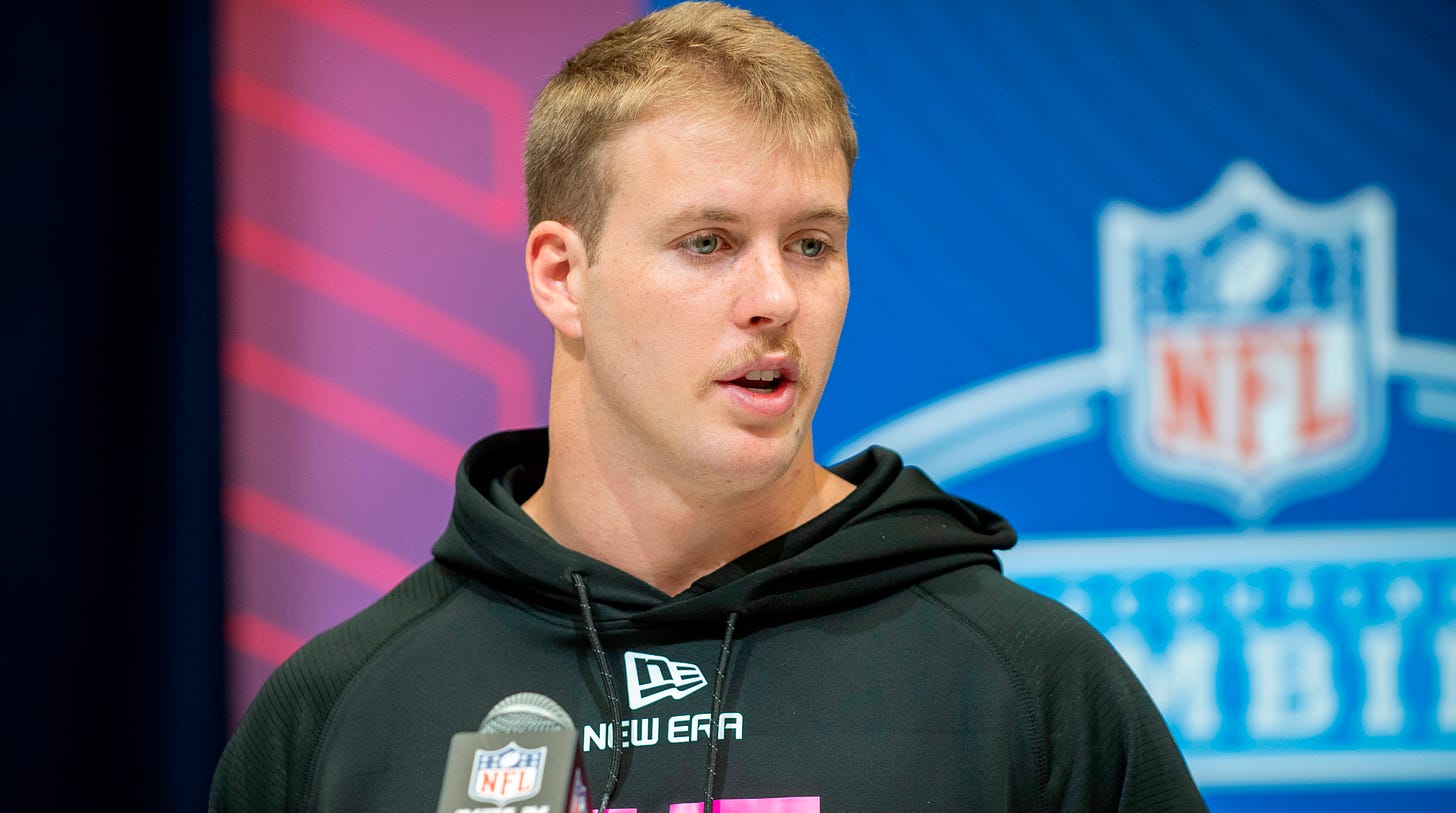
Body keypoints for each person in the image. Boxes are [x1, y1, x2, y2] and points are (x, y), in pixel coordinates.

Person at [210, 3, 1207, 810]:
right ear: (562, 276)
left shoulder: (1028, 683)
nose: (775, 297)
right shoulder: (342, 713)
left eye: (811, 245)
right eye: (708, 243)